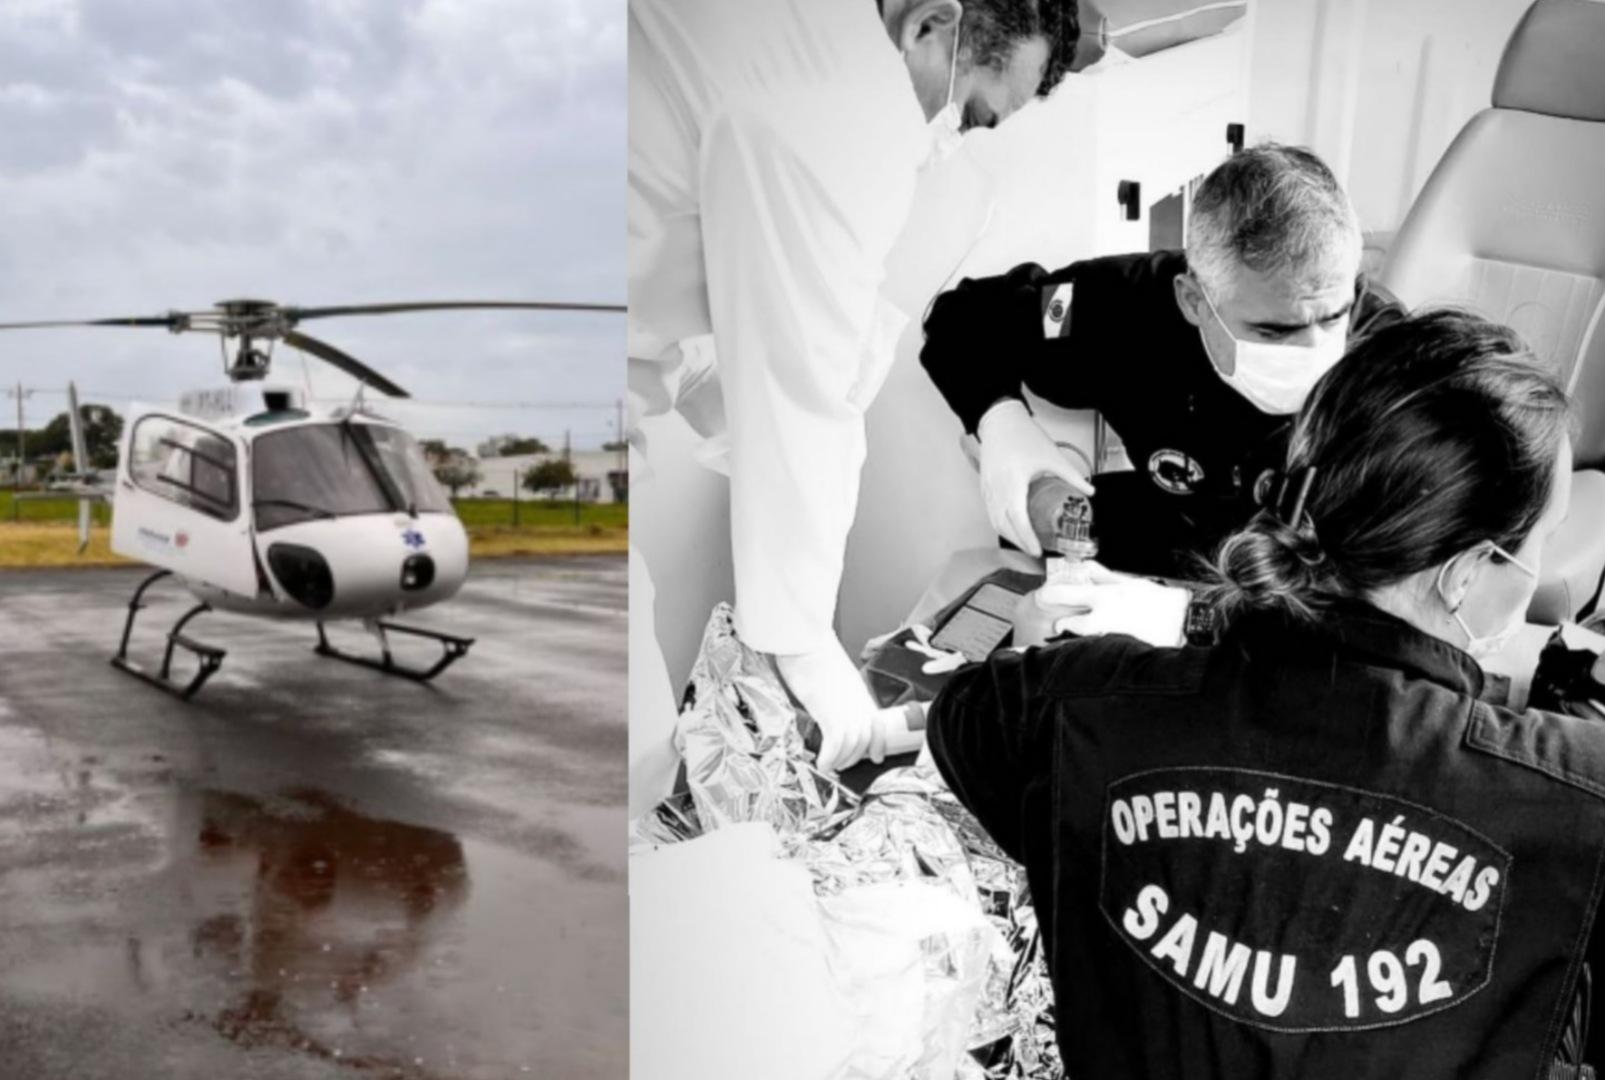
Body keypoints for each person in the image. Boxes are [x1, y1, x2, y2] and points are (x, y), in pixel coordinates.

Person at [926, 309, 1605, 1078]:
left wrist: (1045, 659)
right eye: (1540, 540)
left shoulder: (1067, 706)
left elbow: (965, 718)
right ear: (1464, 572)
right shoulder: (1579, 801)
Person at [627, 0, 1081, 813]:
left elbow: (729, 352)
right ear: (929, 25)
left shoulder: (790, 57)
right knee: (627, 762)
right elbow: (805, 396)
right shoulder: (837, 105)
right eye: (972, 112)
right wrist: (806, 652)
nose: (950, 137)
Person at [920, 143, 1404, 580]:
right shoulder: (1127, 310)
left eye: (1333, 317)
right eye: (1273, 332)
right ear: (1194, 301)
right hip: (1181, 532)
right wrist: (1002, 421)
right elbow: (962, 321)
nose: (1311, 348)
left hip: (1322, 571)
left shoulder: (1397, 359)